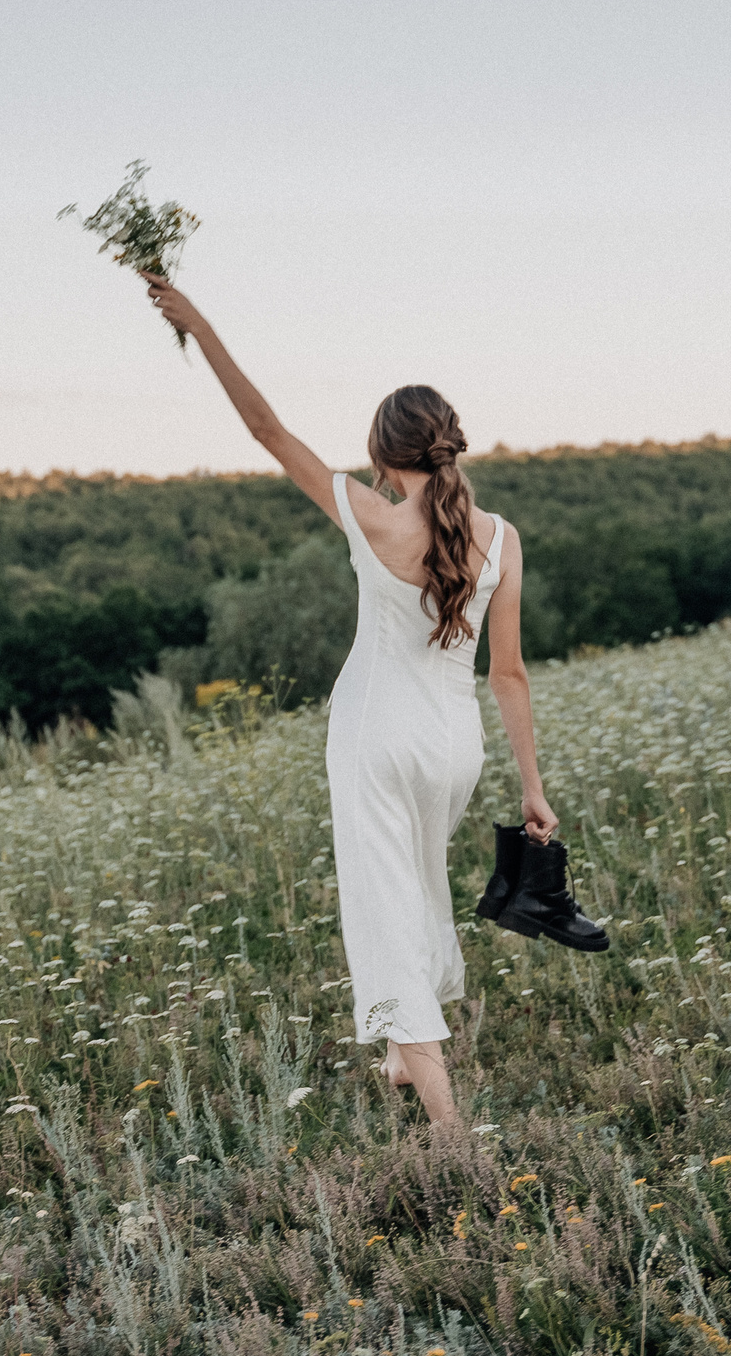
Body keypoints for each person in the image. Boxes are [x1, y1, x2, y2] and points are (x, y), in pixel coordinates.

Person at [145, 277, 556, 1130]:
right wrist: (532, 787)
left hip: (376, 739)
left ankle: (449, 1130)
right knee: (414, 888)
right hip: (454, 750)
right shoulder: (503, 537)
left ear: (384, 453)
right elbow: (507, 673)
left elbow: (265, 429)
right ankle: (407, 1065)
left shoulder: (369, 514)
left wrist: (201, 325)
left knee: (384, 914)